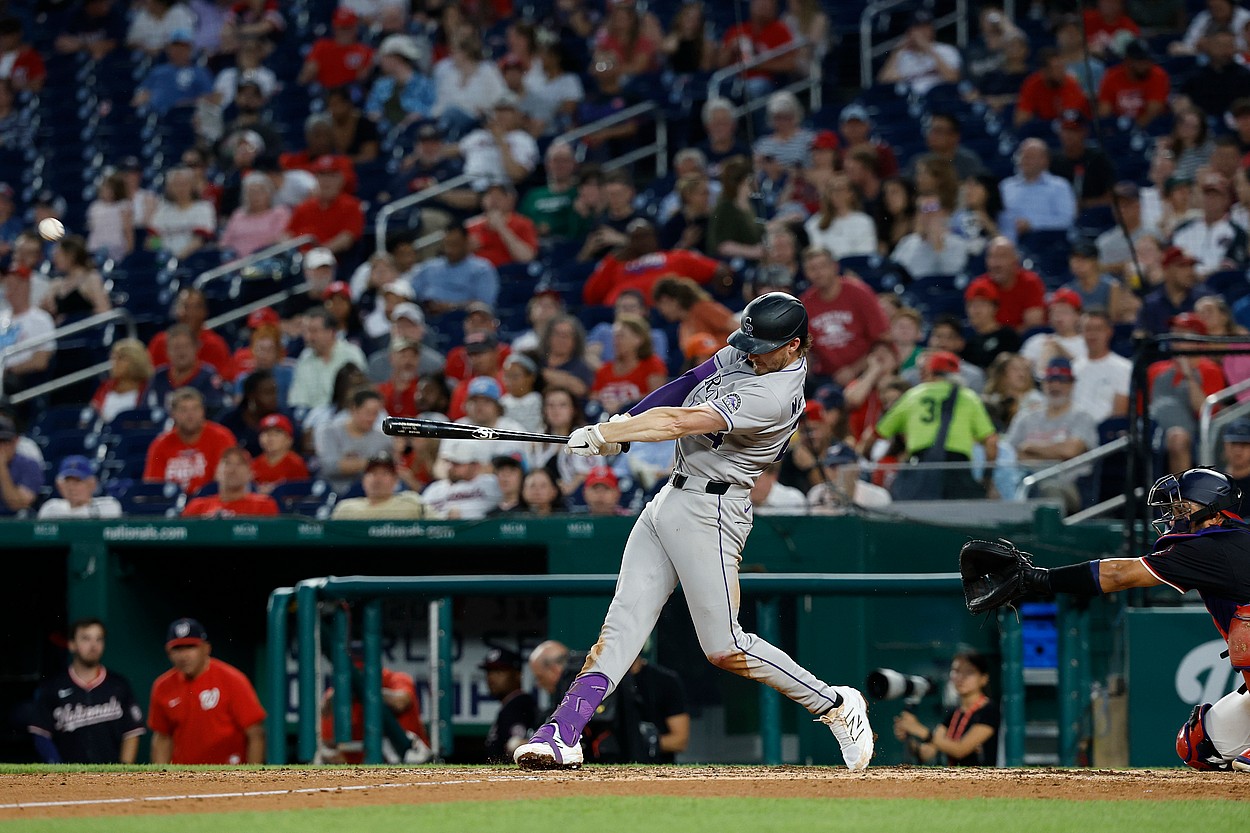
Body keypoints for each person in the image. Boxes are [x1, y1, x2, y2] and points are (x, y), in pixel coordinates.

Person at [512, 292, 874, 772]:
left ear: (794, 345)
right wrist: (624, 422)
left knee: (724, 647)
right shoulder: (751, 353)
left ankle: (835, 704)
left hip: (714, 511)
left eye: (763, 347)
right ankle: (562, 732)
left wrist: (610, 433)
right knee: (622, 626)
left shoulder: (775, 395)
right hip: (671, 497)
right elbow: (687, 384)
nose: (750, 353)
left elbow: (683, 420)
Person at [976, 467, 1250, 772]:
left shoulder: (1214, 546)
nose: (1174, 518)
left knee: (1247, 630)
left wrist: (1038, 579)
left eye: (1182, 509)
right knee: (1201, 745)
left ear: (1214, 516)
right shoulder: (1225, 543)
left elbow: (1118, 575)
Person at [877, 349, 998, 500]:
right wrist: (987, 477)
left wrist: (866, 454)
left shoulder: (913, 395)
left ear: (930, 372)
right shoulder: (968, 397)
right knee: (962, 511)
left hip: (921, 465)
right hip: (957, 467)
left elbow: (880, 432)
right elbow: (991, 441)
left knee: (916, 510)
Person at [148, 617, 266, 765]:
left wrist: (252, 774)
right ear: (168, 652)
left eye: (191, 647)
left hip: (229, 771)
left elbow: (255, 733)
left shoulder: (232, 679)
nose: (184, 655)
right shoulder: (162, 686)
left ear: (206, 648)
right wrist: (161, 775)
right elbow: (162, 738)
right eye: (177, 649)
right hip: (185, 773)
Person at [28, 618, 144, 763]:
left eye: (98, 639)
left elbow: (131, 732)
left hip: (111, 772)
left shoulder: (118, 685)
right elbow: (41, 733)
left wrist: (123, 769)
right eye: (86, 639)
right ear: (72, 644)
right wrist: (57, 768)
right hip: (69, 773)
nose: (93, 646)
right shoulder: (53, 687)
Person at [1004, 357, 1099, 512]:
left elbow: (1070, 450)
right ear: (1043, 384)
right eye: (1050, 381)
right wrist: (1055, 453)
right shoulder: (1026, 417)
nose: (1055, 386)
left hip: (1068, 486)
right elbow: (1009, 453)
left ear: (1071, 385)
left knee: (1048, 488)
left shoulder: (1082, 417)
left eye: (1062, 381)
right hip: (1025, 481)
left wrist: (1030, 448)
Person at [800, 246, 890, 386]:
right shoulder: (805, 303)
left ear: (835, 267)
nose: (818, 273)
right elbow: (804, 349)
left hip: (865, 370)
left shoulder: (859, 292)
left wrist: (854, 369)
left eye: (822, 266)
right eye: (812, 269)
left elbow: (883, 339)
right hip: (826, 376)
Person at [893, 652, 999, 766]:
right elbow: (926, 753)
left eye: (969, 672)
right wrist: (910, 736)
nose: (961, 677)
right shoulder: (954, 714)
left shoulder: (989, 710)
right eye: (956, 671)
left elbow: (960, 750)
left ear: (983, 678)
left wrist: (919, 730)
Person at [998, 140, 1077, 245]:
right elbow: (999, 218)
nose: (1025, 159)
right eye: (1022, 155)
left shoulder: (1059, 186)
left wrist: (1032, 224)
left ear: (1045, 161)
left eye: (1031, 156)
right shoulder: (1005, 186)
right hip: (1010, 243)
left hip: (1047, 243)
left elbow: (1066, 220)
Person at [148, 287, 236, 381]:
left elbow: (223, 381)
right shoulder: (160, 342)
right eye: (185, 306)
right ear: (176, 310)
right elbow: (147, 380)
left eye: (196, 307)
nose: (190, 313)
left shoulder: (216, 345)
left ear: (205, 311)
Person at [877, 11, 961, 96]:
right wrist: (896, 52)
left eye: (926, 27)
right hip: (908, 97)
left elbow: (953, 78)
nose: (922, 32)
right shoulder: (902, 54)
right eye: (918, 28)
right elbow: (883, 82)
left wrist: (928, 49)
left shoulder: (946, 50)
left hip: (937, 95)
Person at [331, 451, 435, 519]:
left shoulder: (412, 502)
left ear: (395, 480)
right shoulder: (346, 508)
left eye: (384, 473)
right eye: (373, 473)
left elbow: (438, 527)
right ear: (363, 480)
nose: (378, 479)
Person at [1072, 308, 1131, 425]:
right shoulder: (1073, 367)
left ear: (1109, 332)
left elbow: (1119, 413)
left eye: (1098, 329)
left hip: (1106, 430)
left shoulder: (1124, 367)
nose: (1092, 335)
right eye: (1087, 329)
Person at [182, 447, 280, 516]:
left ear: (250, 474)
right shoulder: (197, 507)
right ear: (217, 472)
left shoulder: (263, 506)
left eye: (240, 464)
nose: (233, 469)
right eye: (227, 463)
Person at [1096, 38, 1169, 129]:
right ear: (1127, 61)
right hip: (1119, 125)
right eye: (1140, 61)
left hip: (1151, 126)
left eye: (1147, 60)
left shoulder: (1158, 75)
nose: (1145, 65)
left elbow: (1153, 111)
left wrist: (1134, 130)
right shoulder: (1111, 76)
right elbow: (1104, 111)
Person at [482, 647, 538, 763]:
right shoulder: (509, 705)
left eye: (499, 671)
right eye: (489, 671)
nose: (491, 678)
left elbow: (516, 747)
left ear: (517, 674)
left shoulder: (519, 705)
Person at [421, 442, 502, 519]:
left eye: (457, 464)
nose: (450, 467)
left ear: (476, 466)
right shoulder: (434, 489)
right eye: (449, 462)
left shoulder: (491, 483)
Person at [37, 455, 122, 519]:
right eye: (67, 482)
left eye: (77, 481)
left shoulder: (107, 507)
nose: (71, 488)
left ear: (91, 484)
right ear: (60, 486)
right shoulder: (51, 509)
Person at [251, 413, 309, 493]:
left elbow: (302, 493)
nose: (270, 437)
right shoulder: (254, 464)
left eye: (277, 433)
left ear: (289, 440)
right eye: (266, 432)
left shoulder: (296, 463)